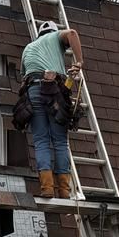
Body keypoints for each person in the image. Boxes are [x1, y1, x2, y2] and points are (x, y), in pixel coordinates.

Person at [19, 21, 83, 200]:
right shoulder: (55, 37)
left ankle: (47, 188)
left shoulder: (28, 48)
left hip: (33, 90)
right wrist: (79, 62)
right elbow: (72, 33)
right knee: (60, 142)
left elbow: (22, 76)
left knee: (41, 141)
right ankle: (64, 191)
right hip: (54, 91)